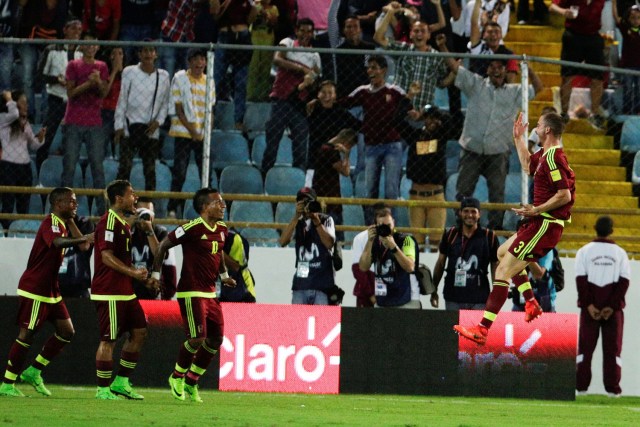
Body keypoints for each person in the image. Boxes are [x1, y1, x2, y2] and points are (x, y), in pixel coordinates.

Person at [454, 111, 575, 344]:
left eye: (538, 126)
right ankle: (530, 303)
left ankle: (482, 329)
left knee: (502, 272)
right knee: (501, 254)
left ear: (547, 130)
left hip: (545, 224)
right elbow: (528, 166)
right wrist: (518, 139)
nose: (536, 129)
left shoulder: (554, 158)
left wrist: (537, 210)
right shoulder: (544, 155)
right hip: (539, 222)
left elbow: (564, 195)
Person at [437, 34, 543, 229]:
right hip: (471, 148)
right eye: (492, 67)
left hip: (498, 152)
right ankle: (463, 226)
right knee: (462, 191)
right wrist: (443, 46)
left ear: (505, 71)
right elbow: (455, 68)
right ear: (487, 70)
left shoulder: (515, 92)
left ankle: (494, 230)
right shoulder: (476, 84)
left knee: (497, 194)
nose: (496, 70)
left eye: (500, 67)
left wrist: (526, 68)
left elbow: (538, 87)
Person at [0, 187, 93, 397]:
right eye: (72, 201)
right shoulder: (51, 222)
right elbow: (58, 243)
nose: (75, 205)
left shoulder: (63, 223)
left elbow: (85, 247)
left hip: (51, 289)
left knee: (67, 331)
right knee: (27, 334)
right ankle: (7, 383)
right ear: (59, 204)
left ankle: (34, 371)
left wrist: (71, 222)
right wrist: (83, 236)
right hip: (36, 288)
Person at [152, 188, 236, 403]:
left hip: (211, 292)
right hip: (191, 291)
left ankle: (191, 380)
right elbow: (163, 245)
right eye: (218, 202)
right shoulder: (191, 228)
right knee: (197, 338)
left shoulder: (222, 229)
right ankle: (177, 376)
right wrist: (155, 274)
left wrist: (224, 275)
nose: (223, 205)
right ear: (204, 207)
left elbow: (218, 254)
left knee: (216, 338)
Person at [91, 180, 155, 400]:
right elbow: (106, 257)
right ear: (119, 199)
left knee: (139, 331)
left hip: (124, 291)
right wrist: (133, 273)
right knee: (109, 339)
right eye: (132, 194)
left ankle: (121, 382)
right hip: (108, 291)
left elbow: (119, 259)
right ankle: (103, 389)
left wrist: (140, 279)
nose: (135, 198)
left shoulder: (123, 223)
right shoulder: (108, 222)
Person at [341, 55, 412, 221]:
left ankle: (389, 226)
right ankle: (371, 226)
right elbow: (343, 104)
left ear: (384, 70)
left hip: (392, 146)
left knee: (391, 190)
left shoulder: (395, 91)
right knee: (370, 190)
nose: (370, 71)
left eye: (374, 67)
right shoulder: (363, 91)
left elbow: (408, 108)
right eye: (368, 68)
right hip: (371, 146)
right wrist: (360, 126)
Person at [575, 216, 630, 398]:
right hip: (613, 313)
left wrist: (590, 305)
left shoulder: (584, 252)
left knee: (585, 349)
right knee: (613, 351)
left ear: (594, 228)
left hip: (589, 310)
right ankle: (613, 390)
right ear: (612, 230)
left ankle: (581, 388)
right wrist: (611, 307)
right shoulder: (620, 254)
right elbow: (623, 283)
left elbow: (581, 281)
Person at [261, 18, 321, 173]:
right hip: (281, 99)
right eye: (302, 30)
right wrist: (302, 70)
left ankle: (298, 179)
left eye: (309, 31)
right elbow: (277, 60)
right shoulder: (287, 42)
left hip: (299, 104)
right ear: (296, 31)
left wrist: (309, 80)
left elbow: (315, 80)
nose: (305, 34)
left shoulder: (315, 55)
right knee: (272, 142)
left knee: (301, 145)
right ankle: (265, 174)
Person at [61, 32, 109, 215]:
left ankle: (102, 210)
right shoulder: (73, 65)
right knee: (69, 166)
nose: (90, 47)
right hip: (73, 120)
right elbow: (71, 93)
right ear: (81, 46)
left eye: (93, 44)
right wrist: (90, 83)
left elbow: (104, 93)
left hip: (94, 122)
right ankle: (64, 207)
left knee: (98, 167)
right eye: (87, 44)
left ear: (97, 47)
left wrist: (97, 83)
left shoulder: (102, 66)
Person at [374, 1, 449, 114]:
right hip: (399, 111)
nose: (419, 34)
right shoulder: (403, 49)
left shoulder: (436, 57)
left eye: (423, 31)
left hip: (423, 115)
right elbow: (378, 38)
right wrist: (390, 13)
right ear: (410, 34)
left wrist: (455, 71)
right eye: (416, 31)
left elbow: (442, 83)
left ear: (429, 35)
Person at [114, 43, 171, 190]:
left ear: (156, 55)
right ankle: (119, 202)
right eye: (144, 50)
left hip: (150, 128)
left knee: (150, 169)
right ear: (139, 54)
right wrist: (118, 125)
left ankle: (148, 204)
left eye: (151, 50)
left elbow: (165, 103)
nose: (148, 54)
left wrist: (158, 122)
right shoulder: (129, 71)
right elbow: (122, 99)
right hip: (129, 125)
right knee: (124, 168)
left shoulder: (163, 76)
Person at [402, 105, 458, 250]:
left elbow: (453, 121)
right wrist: (415, 114)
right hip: (416, 196)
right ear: (423, 119)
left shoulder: (442, 136)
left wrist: (439, 116)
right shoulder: (414, 136)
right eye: (428, 118)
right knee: (417, 243)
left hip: (436, 196)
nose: (431, 121)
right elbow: (397, 122)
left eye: (435, 118)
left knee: (436, 243)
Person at [166, 48, 213, 217]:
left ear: (206, 63)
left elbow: (210, 110)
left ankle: (208, 209)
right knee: (180, 171)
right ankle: (172, 208)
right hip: (183, 133)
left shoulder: (209, 81)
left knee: (207, 173)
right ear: (189, 62)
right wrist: (193, 130)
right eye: (196, 59)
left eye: (202, 59)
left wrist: (205, 133)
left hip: (202, 135)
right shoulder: (180, 78)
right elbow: (178, 109)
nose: (199, 63)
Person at [431, 197, 499, 310]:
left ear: (479, 214)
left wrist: (497, 293)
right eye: (466, 211)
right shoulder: (450, 234)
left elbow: (495, 265)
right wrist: (434, 289)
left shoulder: (489, 236)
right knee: (453, 328)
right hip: (453, 296)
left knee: (478, 328)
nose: (470, 215)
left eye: (473, 211)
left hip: (479, 297)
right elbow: (440, 263)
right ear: (460, 213)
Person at [35, 17, 83, 171]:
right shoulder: (52, 49)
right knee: (46, 138)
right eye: (73, 28)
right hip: (55, 100)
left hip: (75, 101)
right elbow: (40, 74)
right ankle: (39, 172)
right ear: (65, 30)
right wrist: (56, 79)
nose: (77, 32)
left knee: (73, 140)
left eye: (79, 29)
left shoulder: (83, 51)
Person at [549, 0, 606, 127]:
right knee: (567, 76)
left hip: (593, 37)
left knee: (597, 78)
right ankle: (564, 114)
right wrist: (564, 12)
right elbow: (552, 7)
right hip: (573, 36)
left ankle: (594, 114)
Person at [279, 187, 336, 305]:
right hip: (301, 284)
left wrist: (316, 220)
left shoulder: (326, 219)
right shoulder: (297, 222)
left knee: (322, 322)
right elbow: (283, 242)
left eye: (307, 201)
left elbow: (329, 244)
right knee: (297, 322)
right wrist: (296, 216)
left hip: (322, 284)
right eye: (301, 201)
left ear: (314, 202)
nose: (305, 205)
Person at [0, 90, 46, 229]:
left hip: (25, 167)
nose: (26, 105)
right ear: (14, 104)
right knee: (8, 204)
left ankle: (20, 231)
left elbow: (33, 145)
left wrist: (41, 138)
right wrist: (9, 99)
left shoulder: (25, 123)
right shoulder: (3, 118)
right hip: (8, 166)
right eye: (23, 102)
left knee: (23, 206)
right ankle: (6, 234)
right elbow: (13, 114)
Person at [358, 205, 419, 308]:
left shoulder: (405, 239)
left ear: (394, 222)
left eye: (388, 225)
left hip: (402, 303)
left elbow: (410, 267)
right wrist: (369, 241)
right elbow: (363, 267)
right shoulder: (374, 242)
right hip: (381, 301)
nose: (386, 229)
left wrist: (394, 247)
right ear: (376, 226)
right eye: (382, 226)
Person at [211, 0, 257, 130]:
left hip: (243, 37)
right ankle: (209, 117)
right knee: (215, 81)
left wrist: (254, 9)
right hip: (224, 37)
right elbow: (215, 16)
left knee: (241, 84)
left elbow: (250, 19)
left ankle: (238, 121)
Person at [130, 198, 177, 300]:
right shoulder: (129, 232)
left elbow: (160, 255)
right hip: (131, 290)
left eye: (149, 212)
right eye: (141, 212)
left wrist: (149, 231)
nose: (145, 216)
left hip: (153, 289)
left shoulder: (160, 232)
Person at [467, 1, 518, 82]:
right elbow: (473, 25)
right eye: (490, 32)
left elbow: (510, 82)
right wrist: (477, 4)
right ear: (484, 35)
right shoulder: (478, 47)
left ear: (500, 35)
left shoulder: (508, 55)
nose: (493, 35)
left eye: (496, 32)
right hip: (479, 88)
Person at [351, 202, 390, 308]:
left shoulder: (395, 238)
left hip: (390, 294)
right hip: (366, 293)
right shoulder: (360, 238)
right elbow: (357, 270)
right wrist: (371, 294)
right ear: (375, 220)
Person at [333, 15, 376, 99]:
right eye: (348, 27)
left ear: (360, 30)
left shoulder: (369, 48)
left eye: (355, 26)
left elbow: (369, 70)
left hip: (365, 95)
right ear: (344, 30)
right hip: (345, 94)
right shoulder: (338, 51)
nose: (352, 30)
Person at [247, 0, 279, 101]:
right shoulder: (255, 6)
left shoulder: (274, 8)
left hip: (268, 38)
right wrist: (256, 8)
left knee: (265, 68)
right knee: (253, 66)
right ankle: (250, 94)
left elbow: (274, 23)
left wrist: (266, 14)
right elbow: (249, 20)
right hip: (255, 37)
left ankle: (263, 95)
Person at [612, 0, 640, 114]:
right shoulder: (625, 29)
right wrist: (614, 4)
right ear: (628, 19)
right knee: (627, 89)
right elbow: (616, 18)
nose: (636, 20)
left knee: (639, 90)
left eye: (638, 18)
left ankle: (638, 110)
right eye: (633, 18)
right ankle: (627, 111)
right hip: (628, 65)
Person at [58, 215, 95, 298]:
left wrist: (70, 222)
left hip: (78, 286)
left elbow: (84, 246)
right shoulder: (52, 224)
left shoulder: (85, 223)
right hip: (55, 285)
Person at [220, 228, 257, 303]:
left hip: (243, 291)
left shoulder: (234, 239)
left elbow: (236, 267)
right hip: (224, 292)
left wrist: (217, 250)